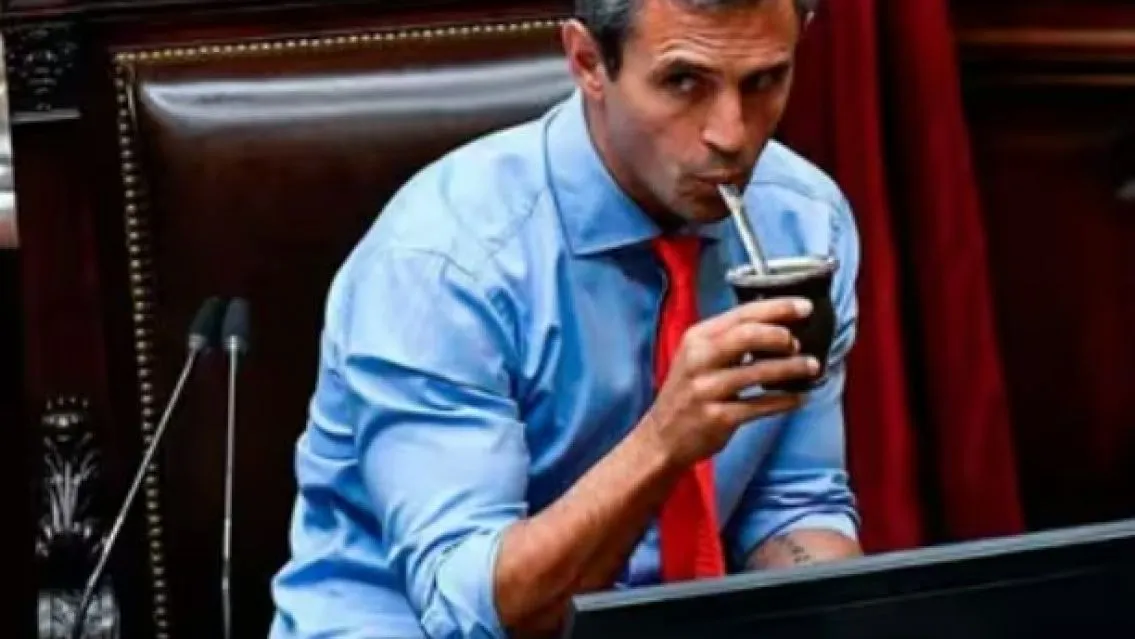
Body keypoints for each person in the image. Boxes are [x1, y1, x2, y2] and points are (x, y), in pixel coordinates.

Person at [270, 0, 862, 637]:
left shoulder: (805, 222)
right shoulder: (444, 261)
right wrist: (664, 442)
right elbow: (474, 617)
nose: (732, 135)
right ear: (587, 62)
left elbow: (791, 505)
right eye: (684, 82)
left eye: (764, 81)